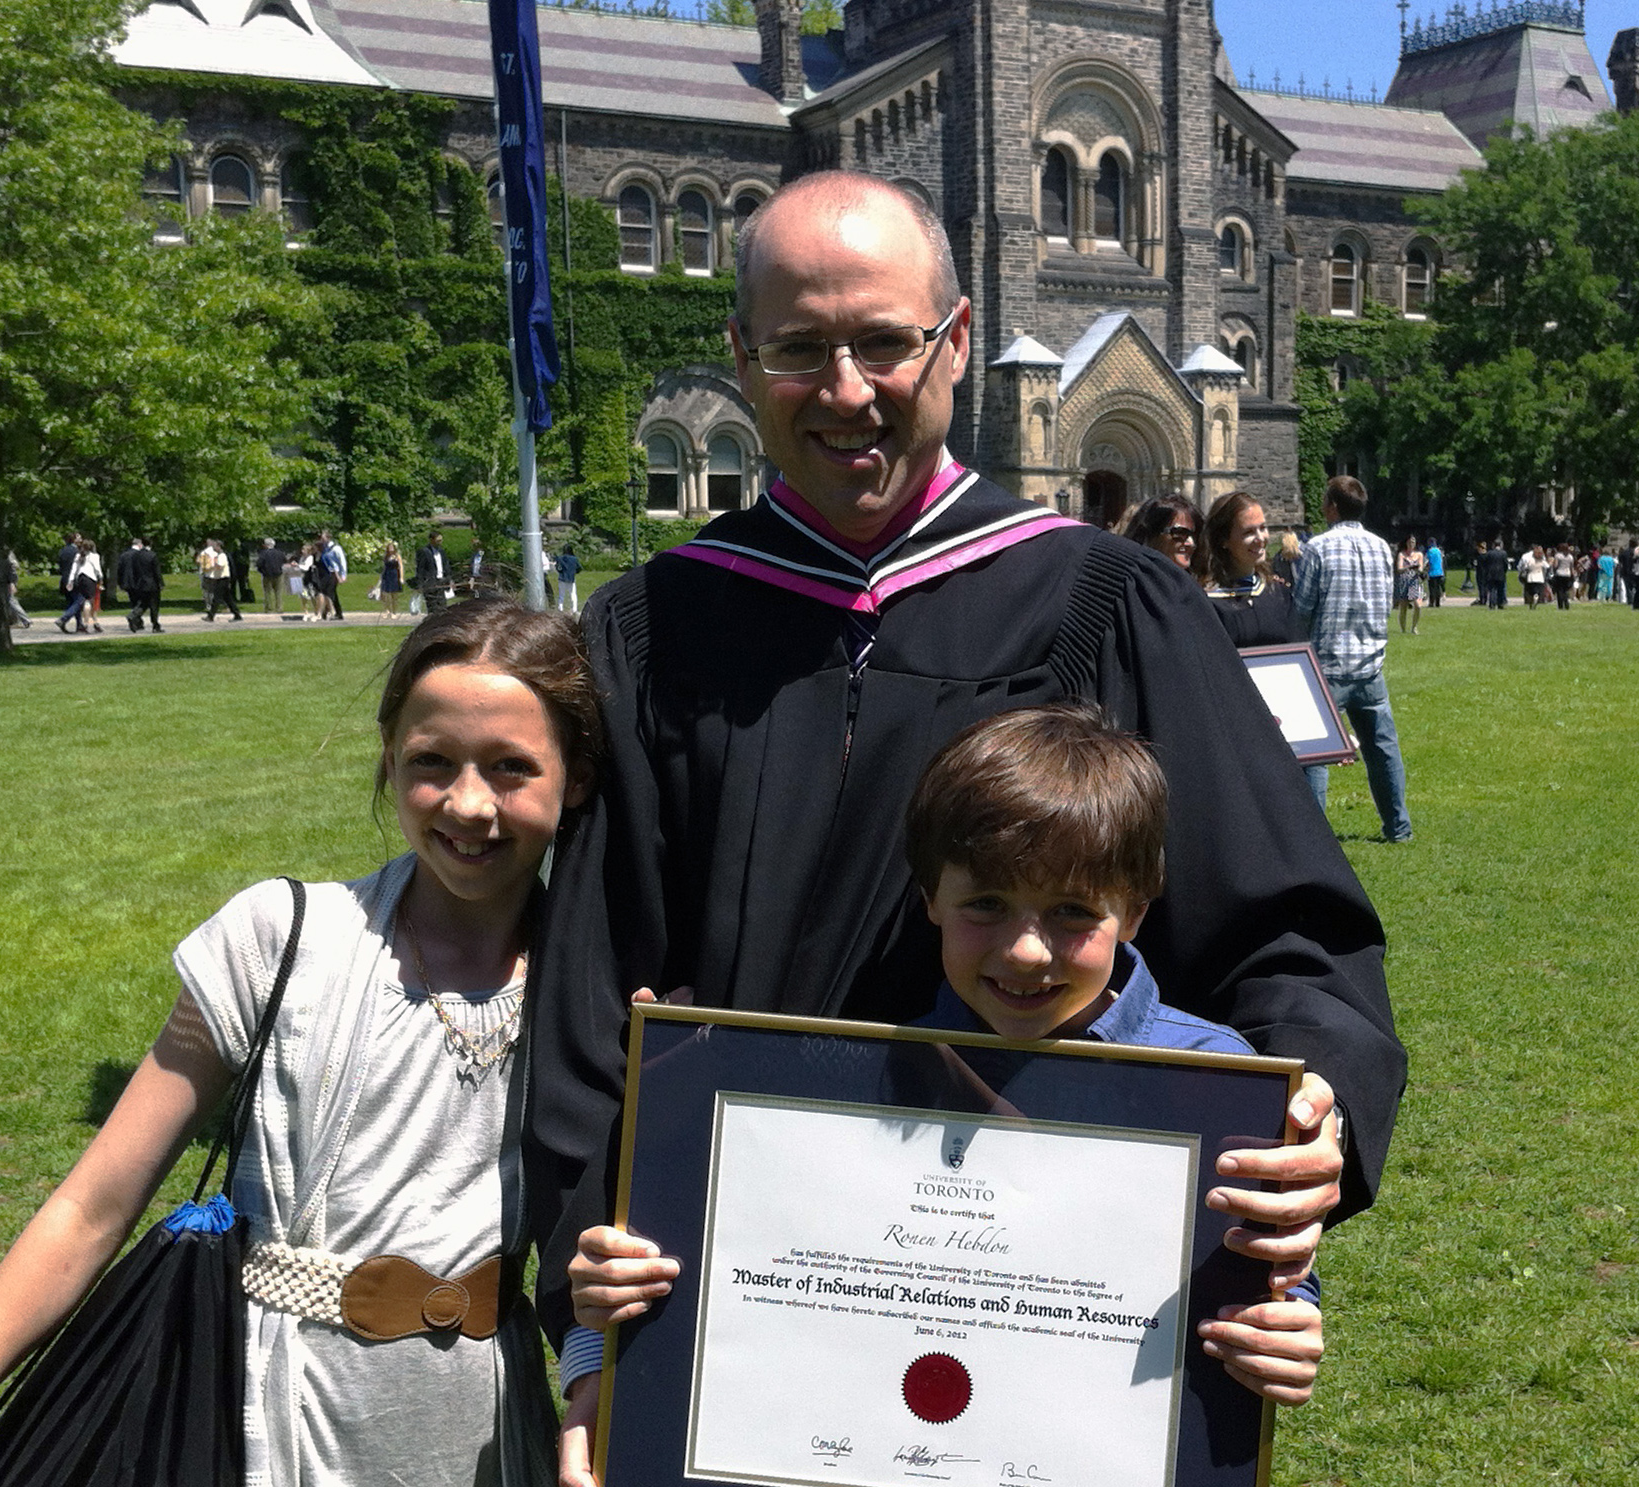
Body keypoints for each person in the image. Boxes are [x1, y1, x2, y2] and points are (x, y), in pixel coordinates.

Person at [528, 172, 1401, 1462]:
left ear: (957, 337)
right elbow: (595, 1009)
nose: (844, 389)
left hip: (1047, 1339)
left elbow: (1286, 934)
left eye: (884, 341)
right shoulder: (657, 631)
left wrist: (1311, 1102)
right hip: (741, 1328)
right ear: (738, 356)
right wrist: (600, 1331)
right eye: (797, 348)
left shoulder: (1101, 605)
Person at [0, 600, 592, 1487]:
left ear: (572, 777)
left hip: (481, 1438)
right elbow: (93, 1203)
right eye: (431, 763)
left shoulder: (594, 989)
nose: (467, 802)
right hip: (262, 1422)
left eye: (510, 768)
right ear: (388, 760)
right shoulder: (279, 939)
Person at [565, 705, 1330, 1459]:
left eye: (1071, 912)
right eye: (986, 905)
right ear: (930, 896)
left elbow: (1263, 1266)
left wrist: (1284, 1320)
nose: (1027, 951)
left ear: (1132, 909)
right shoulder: (840, 1071)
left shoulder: (1214, 1080)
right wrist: (618, 1310)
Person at [1293, 475, 1412, 843]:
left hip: (1326, 664)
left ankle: (1314, 837)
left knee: (1317, 753)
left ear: (1331, 506)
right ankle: (1398, 828)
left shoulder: (1317, 548)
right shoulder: (1381, 547)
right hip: (1371, 663)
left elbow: (1302, 607)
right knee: (1383, 749)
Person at [1199, 492, 1299, 647]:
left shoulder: (1278, 594)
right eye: (1249, 532)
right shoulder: (1207, 603)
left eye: (1263, 528)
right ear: (1223, 540)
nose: (1260, 538)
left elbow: (1297, 649)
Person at [1121, 494, 1204, 573]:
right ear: (1152, 533)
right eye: (1180, 533)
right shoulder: (1126, 581)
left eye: (1196, 535)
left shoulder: (1195, 586)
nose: (1191, 544)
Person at [55, 539, 102, 634]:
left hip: (80, 579)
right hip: (90, 579)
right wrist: (100, 579)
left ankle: (85, 623)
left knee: (81, 600)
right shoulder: (94, 556)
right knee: (87, 601)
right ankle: (85, 623)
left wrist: (70, 581)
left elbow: (73, 570)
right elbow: (97, 569)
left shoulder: (78, 556)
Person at [118, 537, 164, 633]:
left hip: (140, 584)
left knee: (143, 603)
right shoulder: (152, 556)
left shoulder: (136, 556)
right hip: (152, 584)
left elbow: (134, 570)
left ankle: (133, 615)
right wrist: (161, 583)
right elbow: (156, 572)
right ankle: (155, 625)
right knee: (154, 605)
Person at [201, 538, 242, 623]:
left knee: (216, 598)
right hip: (220, 579)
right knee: (228, 598)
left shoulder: (222, 555)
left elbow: (219, 566)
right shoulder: (218, 555)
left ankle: (211, 616)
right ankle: (237, 614)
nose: (213, 547)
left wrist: (211, 567)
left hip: (223, 579)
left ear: (219, 546)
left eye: (215, 546)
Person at [1393, 535, 1425, 634]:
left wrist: (1418, 569)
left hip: (1414, 582)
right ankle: (1403, 630)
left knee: (1418, 605)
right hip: (1403, 581)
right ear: (1406, 543)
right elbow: (1399, 568)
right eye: (1410, 542)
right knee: (1403, 607)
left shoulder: (1419, 554)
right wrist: (1409, 567)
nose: (1412, 544)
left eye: (1413, 542)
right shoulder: (1401, 554)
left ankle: (1414, 627)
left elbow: (1421, 569)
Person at [416, 532, 453, 613]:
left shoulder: (441, 551)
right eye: (438, 540)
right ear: (431, 540)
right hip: (430, 583)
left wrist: (449, 579)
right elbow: (420, 569)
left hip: (441, 581)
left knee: (442, 606)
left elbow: (446, 566)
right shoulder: (424, 551)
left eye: (441, 540)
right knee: (432, 607)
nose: (440, 542)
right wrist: (420, 584)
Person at [319, 529, 348, 620]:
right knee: (329, 592)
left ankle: (331, 612)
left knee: (329, 592)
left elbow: (342, 562)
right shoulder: (325, 548)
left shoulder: (336, 548)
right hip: (327, 573)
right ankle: (336, 612)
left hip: (335, 573)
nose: (322, 540)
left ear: (328, 538)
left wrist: (343, 575)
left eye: (323, 538)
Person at [257, 538, 286, 614]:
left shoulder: (263, 553)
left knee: (268, 592)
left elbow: (259, 564)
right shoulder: (280, 553)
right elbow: (284, 561)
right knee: (278, 592)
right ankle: (279, 608)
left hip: (267, 575)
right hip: (279, 574)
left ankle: (269, 609)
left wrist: (262, 571)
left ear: (266, 545)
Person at [1479, 537, 1509, 609]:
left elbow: (1485, 563)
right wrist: (1504, 571)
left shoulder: (1489, 553)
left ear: (1493, 545)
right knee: (1500, 590)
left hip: (1491, 574)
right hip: (1501, 574)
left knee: (1492, 590)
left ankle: (1492, 604)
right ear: (1501, 545)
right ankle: (1500, 603)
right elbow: (1505, 564)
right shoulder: (1503, 553)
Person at [1516, 544, 1547, 609]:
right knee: (1539, 591)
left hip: (1531, 577)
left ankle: (1530, 602)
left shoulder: (1527, 558)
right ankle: (1537, 599)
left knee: (1529, 592)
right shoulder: (1542, 559)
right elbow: (1546, 567)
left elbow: (1524, 567)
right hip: (1540, 578)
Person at [554, 544, 582, 615]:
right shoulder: (574, 559)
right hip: (571, 578)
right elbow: (579, 568)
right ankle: (574, 609)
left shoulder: (560, 558)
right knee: (573, 594)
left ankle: (560, 608)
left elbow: (558, 568)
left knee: (561, 594)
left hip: (562, 578)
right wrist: (575, 572)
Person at [379, 540, 404, 619]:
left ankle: (394, 611)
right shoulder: (386, 557)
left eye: (392, 547)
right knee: (385, 594)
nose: (390, 549)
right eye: (389, 547)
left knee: (394, 595)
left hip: (394, 575)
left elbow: (401, 567)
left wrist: (401, 577)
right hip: (387, 575)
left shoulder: (397, 556)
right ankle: (387, 611)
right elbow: (384, 567)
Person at [1550, 543, 1576, 610]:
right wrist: (1573, 575)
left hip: (1559, 574)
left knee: (1559, 590)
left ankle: (1560, 605)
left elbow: (1555, 565)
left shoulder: (1558, 556)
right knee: (1565, 590)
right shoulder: (1570, 557)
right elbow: (1571, 567)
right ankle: (1566, 604)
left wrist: (1553, 567)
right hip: (1567, 574)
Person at [1424, 539, 1445, 607]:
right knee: (1438, 588)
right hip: (1439, 571)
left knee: (1432, 588)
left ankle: (1431, 602)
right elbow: (1441, 560)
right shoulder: (1439, 551)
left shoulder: (1429, 551)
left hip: (1432, 572)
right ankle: (1438, 603)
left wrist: (1424, 568)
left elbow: (1426, 561)